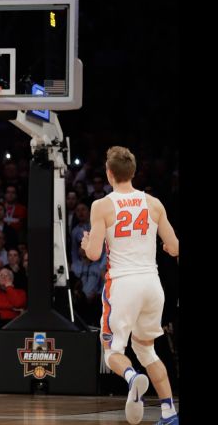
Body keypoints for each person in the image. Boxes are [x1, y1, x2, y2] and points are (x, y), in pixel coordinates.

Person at [81, 146, 179, 425]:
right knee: (147, 350)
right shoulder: (154, 203)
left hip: (123, 285)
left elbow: (94, 254)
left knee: (113, 352)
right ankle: (170, 413)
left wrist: (87, 243)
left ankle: (132, 378)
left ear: (109, 174)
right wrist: (163, 245)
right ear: (133, 173)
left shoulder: (102, 206)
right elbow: (173, 247)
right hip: (152, 284)